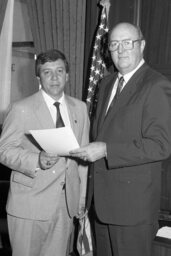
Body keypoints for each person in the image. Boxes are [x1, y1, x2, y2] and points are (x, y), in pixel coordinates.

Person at [70, 22, 171, 256]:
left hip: (133, 209)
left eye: (128, 43)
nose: (121, 50)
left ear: (142, 45)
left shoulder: (157, 85)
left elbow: (161, 145)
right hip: (101, 205)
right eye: (115, 44)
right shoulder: (105, 84)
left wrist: (107, 150)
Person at [0, 49, 89, 256]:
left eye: (59, 71)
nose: (55, 77)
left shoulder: (80, 109)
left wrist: (81, 196)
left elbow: (82, 158)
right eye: (47, 72)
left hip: (66, 206)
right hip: (29, 205)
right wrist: (36, 159)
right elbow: (3, 150)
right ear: (38, 77)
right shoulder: (21, 108)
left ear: (67, 75)